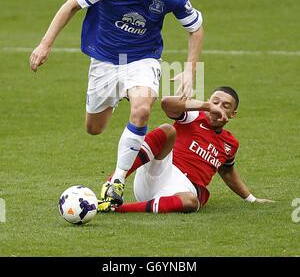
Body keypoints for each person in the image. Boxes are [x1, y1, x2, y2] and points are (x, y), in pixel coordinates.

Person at [29, 0, 204, 206]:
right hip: (104, 61)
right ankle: (118, 98)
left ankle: (117, 181)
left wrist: (190, 70)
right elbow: (71, 5)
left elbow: (196, 28)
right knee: (94, 128)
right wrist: (45, 44)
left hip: (142, 60)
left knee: (143, 109)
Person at [98, 86, 274, 213]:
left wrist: (252, 199)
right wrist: (205, 106)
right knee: (168, 130)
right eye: (215, 102)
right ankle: (114, 183)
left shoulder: (231, 144)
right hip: (160, 173)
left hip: (180, 191)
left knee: (191, 202)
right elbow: (167, 103)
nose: (218, 108)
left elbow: (228, 172)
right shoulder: (194, 116)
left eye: (225, 106)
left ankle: (116, 209)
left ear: (233, 114)